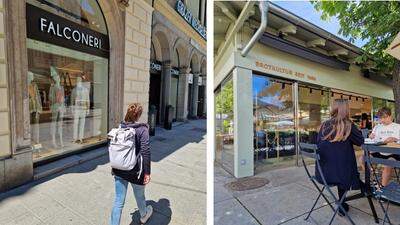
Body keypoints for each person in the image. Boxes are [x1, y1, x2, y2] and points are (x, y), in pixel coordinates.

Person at [316, 99, 365, 216]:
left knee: (339, 162)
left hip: (323, 173)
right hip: (342, 175)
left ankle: (344, 202)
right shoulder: (348, 124)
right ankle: (364, 189)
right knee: (344, 164)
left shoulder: (324, 125)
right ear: (346, 109)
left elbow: (317, 144)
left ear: (334, 108)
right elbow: (361, 141)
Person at [110, 103, 153, 225]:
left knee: (118, 202)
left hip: (119, 169)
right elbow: (146, 151)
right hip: (136, 172)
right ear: (139, 115)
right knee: (139, 196)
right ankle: (144, 215)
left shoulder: (120, 127)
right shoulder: (142, 129)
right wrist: (147, 172)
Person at [369, 107, 400, 186]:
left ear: (390, 116)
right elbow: (373, 140)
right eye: (380, 118)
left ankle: (382, 187)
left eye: (384, 117)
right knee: (363, 159)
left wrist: (395, 139)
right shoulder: (377, 127)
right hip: (380, 151)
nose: (382, 120)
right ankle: (373, 180)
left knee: (388, 163)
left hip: (394, 153)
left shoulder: (397, 127)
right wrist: (371, 137)